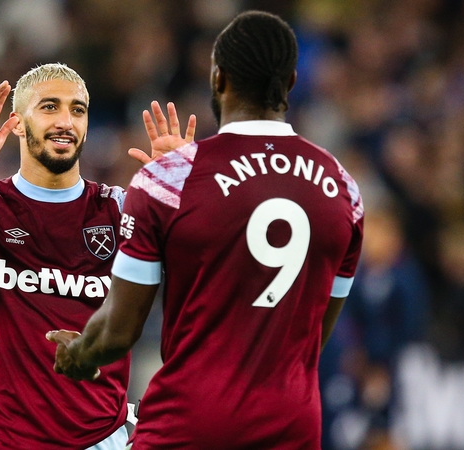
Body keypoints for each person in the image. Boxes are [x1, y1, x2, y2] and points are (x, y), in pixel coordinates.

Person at [48, 11, 365, 449]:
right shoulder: (343, 190)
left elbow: (117, 333)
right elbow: (312, 333)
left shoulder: (169, 180)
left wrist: (79, 356)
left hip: (191, 424)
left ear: (218, 78)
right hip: (292, 427)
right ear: (291, 82)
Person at [0, 63, 194, 449]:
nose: (66, 121)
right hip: (1, 441)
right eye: (50, 107)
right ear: (17, 123)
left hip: (101, 439)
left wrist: (184, 194)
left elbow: (211, 266)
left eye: (78, 110)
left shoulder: (119, 209)